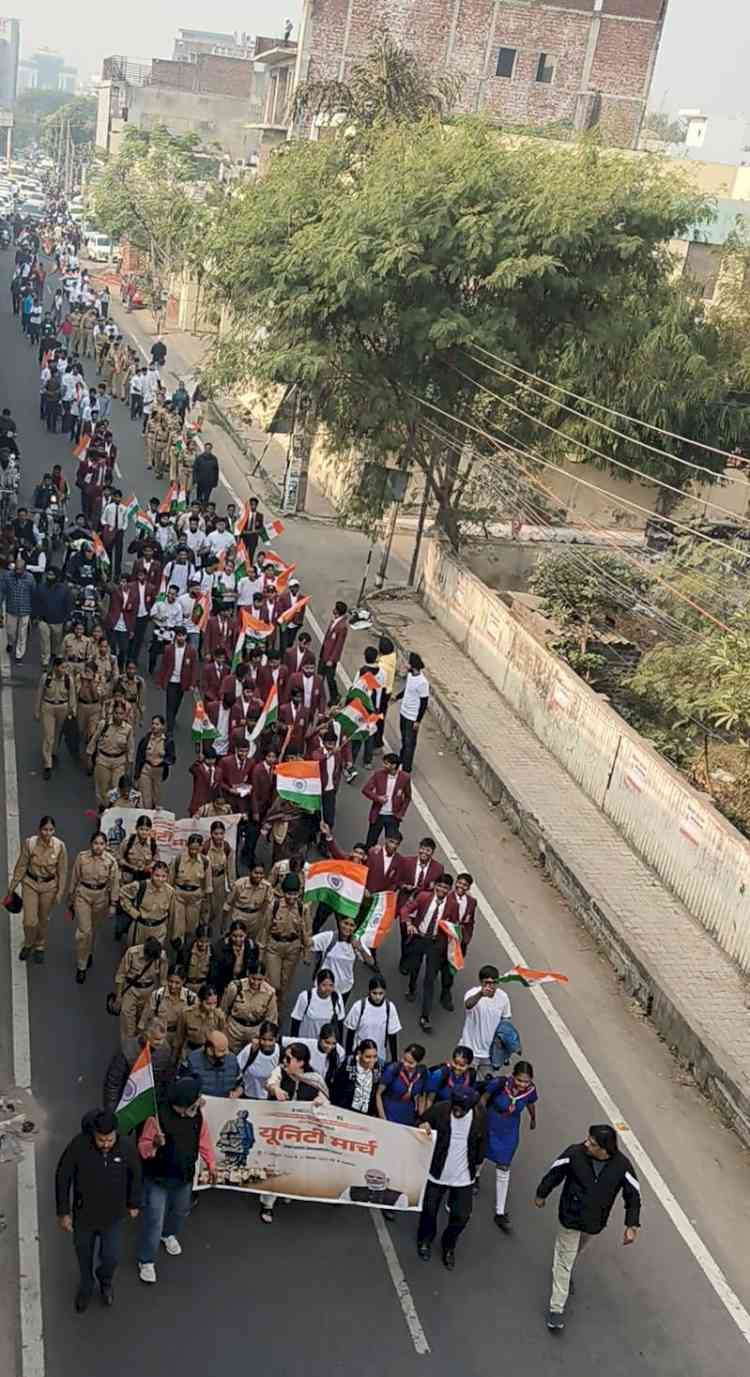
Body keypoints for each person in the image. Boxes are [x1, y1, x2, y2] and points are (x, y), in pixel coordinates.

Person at [535, 1124, 642, 1332]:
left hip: (594, 1223)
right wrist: (542, 1193)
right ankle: (556, 1308)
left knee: (573, 1253)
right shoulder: (575, 1154)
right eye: (588, 1140)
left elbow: (633, 1195)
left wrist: (632, 1224)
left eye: (592, 1143)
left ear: (604, 1149)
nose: (586, 1144)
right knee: (564, 1261)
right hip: (570, 1217)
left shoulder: (622, 1166)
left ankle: (563, 1273)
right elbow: (554, 1173)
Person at [55, 1109, 142, 1313]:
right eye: (101, 1139)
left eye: (109, 1139)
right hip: (84, 1216)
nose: (105, 1144)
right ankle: (86, 1286)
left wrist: (134, 1203)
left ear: (115, 1134)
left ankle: (105, 1281)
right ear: (93, 1133)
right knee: (83, 1254)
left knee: (111, 1257)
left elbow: (136, 1176)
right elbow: (63, 1176)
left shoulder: (127, 1149)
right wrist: (63, 1211)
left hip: (113, 1217)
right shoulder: (78, 1147)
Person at [136, 1077, 216, 1284]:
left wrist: (211, 1163)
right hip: (158, 1179)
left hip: (184, 1176)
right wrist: (154, 1143)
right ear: (182, 1105)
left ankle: (168, 1234)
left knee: (180, 1211)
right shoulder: (156, 1119)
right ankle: (146, 1260)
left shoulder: (197, 1115)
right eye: (196, 1099)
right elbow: (143, 1150)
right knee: (154, 1221)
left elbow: (203, 1138)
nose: (200, 1101)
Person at [416, 1087, 486, 1269]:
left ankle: (449, 1245)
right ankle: (425, 1240)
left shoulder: (479, 1115)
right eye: (455, 1106)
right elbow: (420, 1121)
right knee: (429, 1211)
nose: (457, 1110)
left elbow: (483, 1140)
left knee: (462, 1216)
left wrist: (478, 1164)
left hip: (464, 1177)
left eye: (462, 1108)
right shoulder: (440, 1110)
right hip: (437, 1173)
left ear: (470, 1107)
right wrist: (422, 1124)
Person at [261, 1043, 329, 1221]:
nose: (284, 1060)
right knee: (274, 1164)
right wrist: (275, 1089)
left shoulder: (314, 1079)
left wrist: (320, 1102)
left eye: (289, 1058)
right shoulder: (280, 1072)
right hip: (277, 1130)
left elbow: (325, 1100)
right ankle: (267, 1204)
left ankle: (287, 1190)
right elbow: (270, 1083)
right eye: (284, 1056)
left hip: (299, 1134)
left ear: (301, 1063)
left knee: (293, 1163)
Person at [482, 1060, 537, 1233]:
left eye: (526, 1081)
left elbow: (530, 1103)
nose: (522, 1084)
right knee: (481, 1153)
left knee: (504, 1166)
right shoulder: (499, 1083)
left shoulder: (530, 1091)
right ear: (513, 1076)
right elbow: (484, 1099)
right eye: (520, 1080)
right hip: (491, 1122)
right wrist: (480, 1118)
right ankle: (475, 1177)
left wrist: (533, 1118)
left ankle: (500, 1211)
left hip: (510, 1130)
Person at [9, 815, 68, 964]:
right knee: (29, 921)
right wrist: (13, 886)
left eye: (51, 830)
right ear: (39, 829)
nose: (47, 833)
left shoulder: (60, 846)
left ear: (54, 830)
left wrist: (60, 891)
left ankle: (40, 944)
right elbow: (22, 865)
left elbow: (62, 870)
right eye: (45, 829)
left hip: (49, 887)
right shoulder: (30, 843)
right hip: (30, 883)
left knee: (43, 918)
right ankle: (28, 943)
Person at [402, 873, 454, 1034]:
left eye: (445, 887)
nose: (441, 889)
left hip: (435, 944)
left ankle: (425, 1016)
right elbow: (405, 910)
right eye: (439, 886)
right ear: (435, 886)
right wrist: (409, 923)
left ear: (449, 890)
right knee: (414, 968)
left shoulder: (452, 906)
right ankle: (411, 989)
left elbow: (454, 926)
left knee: (430, 979)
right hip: (419, 937)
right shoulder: (424, 897)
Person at [68, 832, 120, 985]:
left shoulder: (111, 862)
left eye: (101, 844)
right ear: (91, 844)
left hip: (101, 897)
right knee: (85, 931)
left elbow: (115, 884)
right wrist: (70, 898)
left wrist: (113, 904)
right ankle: (81, 965)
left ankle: (88, 950)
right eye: (96, 843)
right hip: (83, 895)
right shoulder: (82, 857)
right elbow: (74, 877)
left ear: (105, 845)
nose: (98, 846)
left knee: (93, 930)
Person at [260, 873, 312, 1007]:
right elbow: (265, 928)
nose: (292, 897)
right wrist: (261, 952)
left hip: (293, 948)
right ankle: (267, 1004)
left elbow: (307, 933)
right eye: (289, 894)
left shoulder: (303, 909)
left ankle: (277, 1010)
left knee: (284, 983)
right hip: (274, 947)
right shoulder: (274, 906)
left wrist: (307, 952)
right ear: (283, 893)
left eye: (295, 894)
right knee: (273, 983)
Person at [102, 1017, 174, 1111]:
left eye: (163, 1039)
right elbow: (113, 1084)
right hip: (127, 1102)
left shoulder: (165, 1050)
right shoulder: (126, 1051)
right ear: (146, 1035)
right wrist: (111, 1112)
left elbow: (167, 1080)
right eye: (157, 1040)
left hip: (151, 1105)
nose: (161, 1043)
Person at [112, 938, 169, 1043]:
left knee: (143, 1025)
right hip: (131, 990)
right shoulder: (132, 953)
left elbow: (163, 980)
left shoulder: (161, 957)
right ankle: (127, 1049)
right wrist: (119, 997)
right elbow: (121, 975)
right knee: (127, 1025)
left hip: (148, 993)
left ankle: (138, 1049)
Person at [460, 965, 512, 1077]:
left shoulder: (503, 997)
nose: (490, 986)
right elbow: (468, 1005)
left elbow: (506, 1019)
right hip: (469, 1050)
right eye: (486, 983)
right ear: (480, 982)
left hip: (490, 1054)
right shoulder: (472, 994)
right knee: (463, 1083)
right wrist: (480, 994)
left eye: (494, 982)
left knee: (485, 1086)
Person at [310, 914, 373, 1004]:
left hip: (344, 989)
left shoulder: (356, 942)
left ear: (355, 927)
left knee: (336, 1015)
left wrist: (360, 948)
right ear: (340, 923)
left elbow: (371, 962)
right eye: (346, 923)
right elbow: (309, 943)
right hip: (323, 986)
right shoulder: (329, 937)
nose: (348, 927)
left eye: (351, 925)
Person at [220, 959, 278, 1054]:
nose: (255, 983)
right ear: (248, 973)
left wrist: (267, 1038)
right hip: (234, 1030)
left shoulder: (269, 993)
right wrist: (222, 1030)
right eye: (253, 978)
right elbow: (224, 1009)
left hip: (255, 1032)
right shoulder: (235, 987)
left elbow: (271, 1018)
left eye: (260, 980)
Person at [34, 656, 76, 779]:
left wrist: (72, 712)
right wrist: (36, 711)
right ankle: (48, 764)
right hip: (48, 707)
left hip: (63, 707)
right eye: (62, 667)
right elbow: (39, 694)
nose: (64, 670)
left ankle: (54, 753)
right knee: (49, 736)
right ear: (56, 667)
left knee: (58, 734)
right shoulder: (46, 678)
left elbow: (72, 697)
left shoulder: (69, 680)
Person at [87, 697, 135, 806]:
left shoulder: (128, 729)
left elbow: (131, 748)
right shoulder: (104, 725)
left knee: (116, 788)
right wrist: (89, 757)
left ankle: (113, 811)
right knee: (102, 789)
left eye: (121, 714)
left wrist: (130, 765)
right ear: (113, 713)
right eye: (116, 713)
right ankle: (103, 810)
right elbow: (93, 741)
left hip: (119, 762)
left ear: (125, 715)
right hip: (103, 760)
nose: (119, 716)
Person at [169, 833, 212, 949]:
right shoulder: (178, 859)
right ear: (187, 846)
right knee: (178, 927)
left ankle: (188, 950)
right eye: (191, 849)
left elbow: (208, 884)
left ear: (201, 847)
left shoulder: (205, 861)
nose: (193, 852)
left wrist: (206, 903)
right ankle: (178, 951)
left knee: (192, 927)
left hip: (195, 898)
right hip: (179, 895)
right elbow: (170, 881)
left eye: (196, 849)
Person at [344, 976, 402, 1062]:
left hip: (379, 1056)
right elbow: (351, 1032)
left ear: (385, 992)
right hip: (360, 1054)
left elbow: (392, 1035)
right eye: (374, 993)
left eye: (381, 993)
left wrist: (394, 1060)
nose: (378, 997)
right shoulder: (359, 1007)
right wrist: (348, 1054)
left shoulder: (389, 1008)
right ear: (369, 991)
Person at [362, 753, 412, 847]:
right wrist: (378, 798)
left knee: (391, 844)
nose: (384, 765)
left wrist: (401, 813)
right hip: (378, 814)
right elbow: (366, 790)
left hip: (393, 816)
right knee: (370, 842)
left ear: (394, 766)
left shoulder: (405, 778)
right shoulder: (378, 774)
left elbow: (408, 797)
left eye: (386, 763)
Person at [157, 626, 198, 735]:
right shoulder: (168, 649)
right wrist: (160, 681)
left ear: (186, 636)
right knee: (170, 704)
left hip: (183, 682)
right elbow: (163, 666)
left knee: (177, 704)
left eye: (182, 636)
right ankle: (169, 728)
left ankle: (172, 718)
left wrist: (192, 683)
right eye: (178, 635)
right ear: (176, 636)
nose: (180, 638)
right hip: (171, 681)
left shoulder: (191, 651)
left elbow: (194, 669)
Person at [376, 1043, 427, 1126]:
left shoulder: (421, 1073)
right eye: (404, 1059)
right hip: (390, 1114)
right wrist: (383, 1120)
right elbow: (378, 1094)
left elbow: (421, 1097)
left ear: (418, 1062)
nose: (405, 1064)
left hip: (408, 1117)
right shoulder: (392, 1070)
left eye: (410, 1063)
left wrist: (421, 1120)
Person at [33, 568, 74, 669]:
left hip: (58, 621)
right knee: (44, 641)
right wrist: (34, 616)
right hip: (43, 620)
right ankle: (45, 661)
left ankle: (54, 656)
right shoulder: (40, 587)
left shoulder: (64, 589)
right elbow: (35, 603)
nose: (50, 576)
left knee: (56, 643)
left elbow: (68, 605)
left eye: (52, 574)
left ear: (57, 576)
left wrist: (68, 619)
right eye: (48, 574)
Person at [396, 652, 429, 773]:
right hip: (404, 712)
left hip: (412, 717)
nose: (406, 665)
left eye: (408, 663)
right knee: (404, 739)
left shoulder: (423, 682)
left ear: (413, 665)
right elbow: (407, 690)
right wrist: (397, 697)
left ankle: (406, 769)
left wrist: (418, 721)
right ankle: (402, 759)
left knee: (410, 743)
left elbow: (424, 703)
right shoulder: (410, 676)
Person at [290, 968, 344, 1040]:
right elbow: (296, 1020)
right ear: (317, 985)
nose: (327, 989)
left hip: (325, 1043)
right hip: (306, 1040)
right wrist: (294, 1041)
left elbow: (340, 1023)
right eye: (324, 985)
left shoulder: (337, 997)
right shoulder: (305, 996)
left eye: (331, 985)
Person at [176, 982, 226, 1059]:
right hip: (190, 1050)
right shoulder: (187, 1013)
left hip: (208, 1053)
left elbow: (221, 1038)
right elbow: (180, 1037)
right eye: (208, 1004)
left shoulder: (219, 1016)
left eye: (215, 1003)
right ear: (200, 1000)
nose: (212, 1007)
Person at [0, 553, 36, 660]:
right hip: (11, 609)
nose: (18, 571)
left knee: (22, 634)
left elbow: (34, 593)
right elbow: (2, 592)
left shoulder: (30, 578)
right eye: (17, 569)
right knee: (10, 632)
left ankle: (19, 655)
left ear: (25, 569)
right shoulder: (7, 576)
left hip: (25, 610)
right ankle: (10, 643)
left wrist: (34, 611)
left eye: (20, 569)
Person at [134, 715, 174, 809]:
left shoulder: (168, 742)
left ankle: (153, 816)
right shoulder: (146, 739)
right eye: (153, 724)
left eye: (157, 724)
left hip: (159, 772)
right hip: (146, 770)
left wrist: (163, 762)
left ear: (163, 726)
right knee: (145, 798)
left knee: (156, 798)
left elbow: (171, 758)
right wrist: (136, 775)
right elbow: (139, 757)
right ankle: (146, 815)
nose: (154, 726)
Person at [331, 1039, 381, 1114]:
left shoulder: (377, 1067)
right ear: (360, 1053)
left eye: (374, 1056)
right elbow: (337, 1088)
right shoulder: (349, 1063)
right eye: (368, 1057)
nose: (372, 1060)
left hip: (365, 1112)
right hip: (346, 1110)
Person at [202, 820, 236, 930]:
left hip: (220, 880)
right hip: (207, 880)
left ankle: (212, 925)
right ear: (211, 834)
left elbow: (230, 867)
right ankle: (204, 930)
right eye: (216, 834)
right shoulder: (205, 847)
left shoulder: (226, 847)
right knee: (206, 907)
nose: (219, 837)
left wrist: (232, 884)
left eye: (221, 833)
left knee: (217, 908)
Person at [186, 1030, 240, 1097]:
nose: (227, 1053)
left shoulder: (232, 1059)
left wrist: (238, 1092)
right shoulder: (192, 1061)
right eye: (222, 1051)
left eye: (227, 1049)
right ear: (210, 1050)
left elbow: (240, 1083)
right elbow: (182, 1089)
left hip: (226, 1103)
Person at [235, 1020, 280, 1099]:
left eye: (270, 1040)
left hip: (270, 1100)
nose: (266, 1043)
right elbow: (236, 1068)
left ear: (276, 1039)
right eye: (263, 1039)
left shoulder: (280, 1052)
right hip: (248, 1096)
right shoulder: (251, 1049)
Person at [318, 600, 348, 705]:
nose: (333, 609)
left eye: (335, 608)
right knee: (319, 676)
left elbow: (339, 645)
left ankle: (334, 696)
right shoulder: (334, 621)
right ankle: (317, 695)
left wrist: (331, 659)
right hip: (324, 654)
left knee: (330, 679)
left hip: (330, 658)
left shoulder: (342, 627)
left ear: (338, 611)